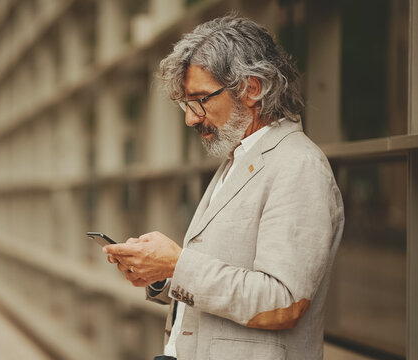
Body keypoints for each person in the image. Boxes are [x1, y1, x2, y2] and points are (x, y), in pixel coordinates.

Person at [103, 16, 344, 360]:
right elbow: (226, 277)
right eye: (187, 103)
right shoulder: (238, 160)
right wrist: (160, 276)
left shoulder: (298, 165)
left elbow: (283, 303)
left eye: (201, 99)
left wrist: (177, 265)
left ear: (252, 88)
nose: (191, 118)